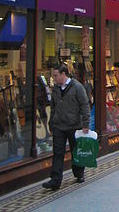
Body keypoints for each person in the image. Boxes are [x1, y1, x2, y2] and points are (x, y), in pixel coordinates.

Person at [42, 63, 90, 191]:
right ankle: (55, 180)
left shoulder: (77, 87)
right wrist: (51, 123)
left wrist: (85, 124)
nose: (54, 78)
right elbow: (53, 106)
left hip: (74, 125)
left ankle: (79, 174)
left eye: (56, 75)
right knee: (58, 153)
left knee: (76, 152)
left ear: (64, 74)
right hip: (59, 126)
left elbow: (84, 106)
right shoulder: (56, 89)